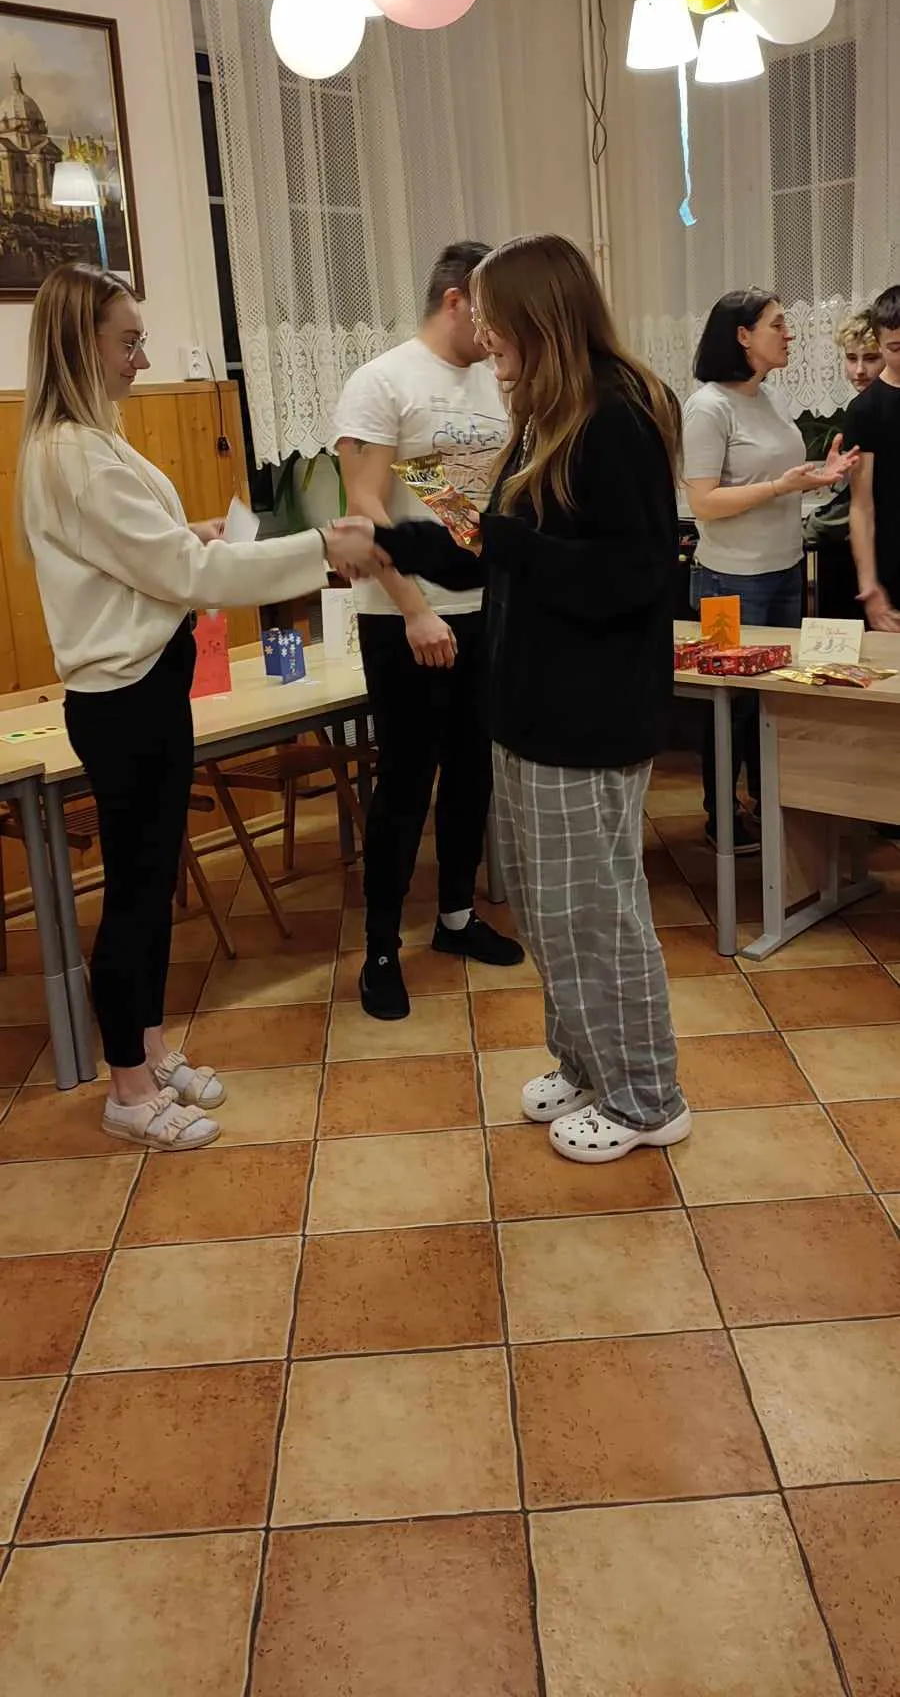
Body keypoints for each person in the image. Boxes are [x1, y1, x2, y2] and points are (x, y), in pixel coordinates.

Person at [17, 263, 386, 1151]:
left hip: (148, 687)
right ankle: (128, 1089)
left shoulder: (93, 440)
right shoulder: (71, 453)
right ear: (79, 343)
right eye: (127, 342)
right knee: (136, 894)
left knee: (150, 885)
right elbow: (183, 578)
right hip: (123, 698)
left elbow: (139, 556)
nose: (140, 359)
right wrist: (318, 548)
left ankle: (147, 1048)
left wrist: (189, 535)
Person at [371, 234, 691, 1165]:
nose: (486, 346)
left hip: (587, 718)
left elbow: (633, 577)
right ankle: (588, 1066)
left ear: (538, 321)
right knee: (554, 915)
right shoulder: (550, 414)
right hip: (534, 714)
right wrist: (391, 542)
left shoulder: (615, 416)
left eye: (496, 329)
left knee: (596, 916)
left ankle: (648, 1099)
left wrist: (503, 546)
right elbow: (490, 546)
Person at [332, 241, 524, 1022]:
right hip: (405, 618)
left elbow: (484, 503)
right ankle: (380, 949)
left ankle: (455, 917)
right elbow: (365, 508)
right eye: (492, 312)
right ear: (456, 301)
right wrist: (415, 607)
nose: (500, 331)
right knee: (407, 783)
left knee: (473, 774)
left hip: (484, 612)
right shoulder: (382, 382)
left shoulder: (494, 379)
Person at [682, 290, 857, 852]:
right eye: (778, 325)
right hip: (728, 582)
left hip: (784, 570)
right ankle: (722, 815)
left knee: (774, 698)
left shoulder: (772, 397)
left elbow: (781, 476)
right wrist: (782, 486)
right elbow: (704, 502)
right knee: (729, 704)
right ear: (742, 336)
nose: (790, 334)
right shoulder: (708, 407)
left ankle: (768, 803)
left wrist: (820, 474)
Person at [810, 313, 883, 616]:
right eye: (852, 358)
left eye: (871, 358)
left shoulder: (866, 409)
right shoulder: (862, 408)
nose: (859, 370)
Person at [846, 284, 900, 630]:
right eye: (895, 348)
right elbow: (861, 505)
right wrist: (869, 584)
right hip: (893, 564)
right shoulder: (865, 410)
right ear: (879, 344)